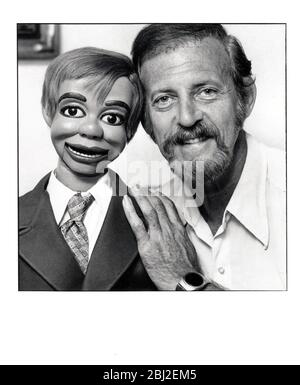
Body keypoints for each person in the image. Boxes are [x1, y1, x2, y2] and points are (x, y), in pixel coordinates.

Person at [122, 24, 286, 291]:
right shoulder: (145, 220)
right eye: (164, 99)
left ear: (244, 99)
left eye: (206, 91)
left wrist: (182, 278)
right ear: (147, 123)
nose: (187, 118)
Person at [19, 47, 156, 291]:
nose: (91, 130)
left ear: (130, 131)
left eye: (112, 118)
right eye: (73, 110)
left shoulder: (154, 218)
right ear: (49, 111)